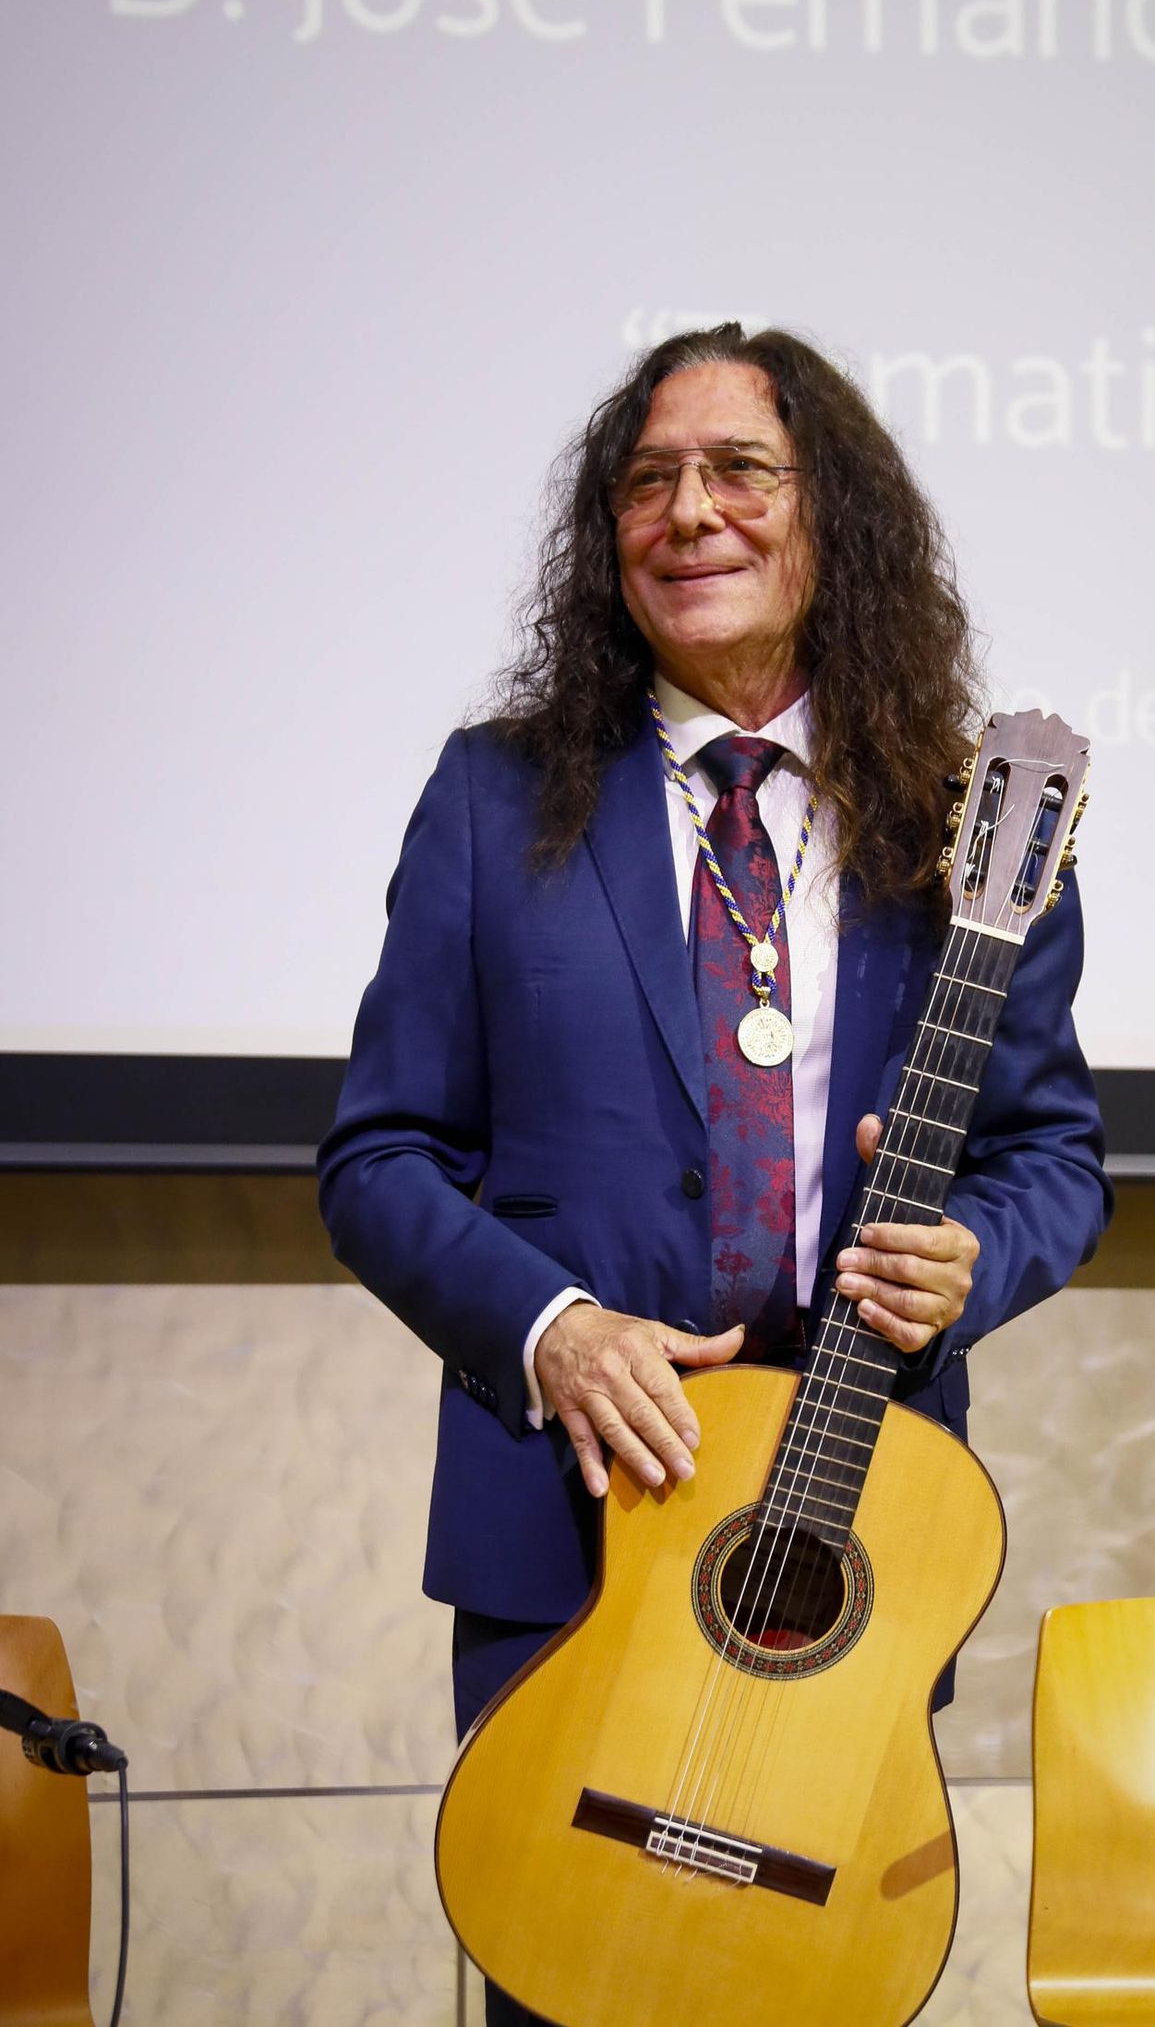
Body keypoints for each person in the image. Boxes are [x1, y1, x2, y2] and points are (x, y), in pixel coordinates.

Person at [317, 322, 1111, 2026]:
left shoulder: (955, 820)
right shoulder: (494, 799)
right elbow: (378, 1159)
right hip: (574, 1526)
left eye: (742, 469)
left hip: (835, 1559)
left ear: (838, 523)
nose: (691, 511)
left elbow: (1053, 1154)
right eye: (649, 480)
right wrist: (549, 1330)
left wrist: (979, 1248)